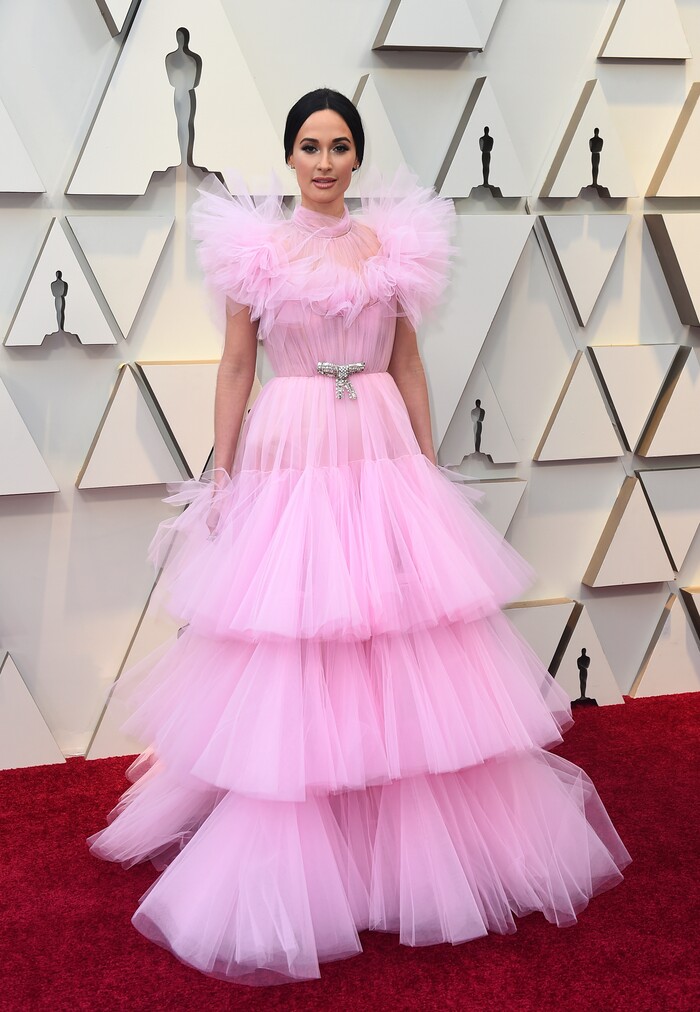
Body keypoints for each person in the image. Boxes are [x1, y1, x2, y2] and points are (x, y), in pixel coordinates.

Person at [87, 88, 631, 986]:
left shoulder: (395, 246)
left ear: (357, 156)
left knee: (392, 628)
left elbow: (410, 362)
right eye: (310, 145)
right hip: (292, 444)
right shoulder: (254, 250)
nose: (326, 161)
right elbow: (234, 367)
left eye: (341, 146)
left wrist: (425, 461)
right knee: (298, 632)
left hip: (376, 445)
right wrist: (224, 474)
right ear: (291, 154)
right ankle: (311, 840)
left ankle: (397, 843)